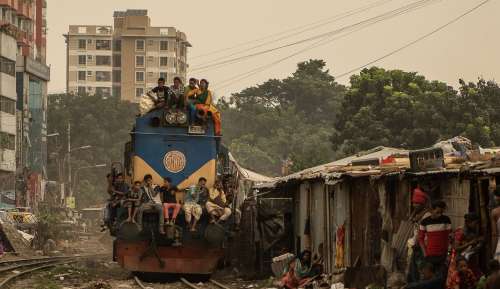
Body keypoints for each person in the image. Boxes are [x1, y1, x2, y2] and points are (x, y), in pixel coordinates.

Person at [418, 200, 452, 276]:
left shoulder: (446, 220)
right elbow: (420, 239)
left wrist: (448, 253)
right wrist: (425, 253)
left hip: (443, 254)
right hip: (430, 255)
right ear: (431, 210)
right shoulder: (424, 222)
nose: (440, 215)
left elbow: (449, 237)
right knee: (430, 277)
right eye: (437, 212)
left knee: (442, 277)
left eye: (441, 212)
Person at [407, 186, 432, 282]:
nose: (414, 205)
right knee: (414, 270)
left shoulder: (426, 216)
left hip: (423, 247)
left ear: (422, 204)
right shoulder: (418, 214)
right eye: (413, 203)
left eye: (417, 203)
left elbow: (424, 235)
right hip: (416, 246)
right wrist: (415, 212)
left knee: (420, 270)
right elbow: (410, 220)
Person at [455, 213, 484, 277]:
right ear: (468, 222)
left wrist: (479, 243)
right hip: (462, 261)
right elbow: (456, 248)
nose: (476, 225)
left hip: (471, 259)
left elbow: (474, 247)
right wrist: (470, 243)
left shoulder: (473, 231)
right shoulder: (460, 231)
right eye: (475, 223)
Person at [491, 188, 500, 262]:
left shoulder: (495, 212)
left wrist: (493, 251)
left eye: (495, 196)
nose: (494, 198)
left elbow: (494, 234)